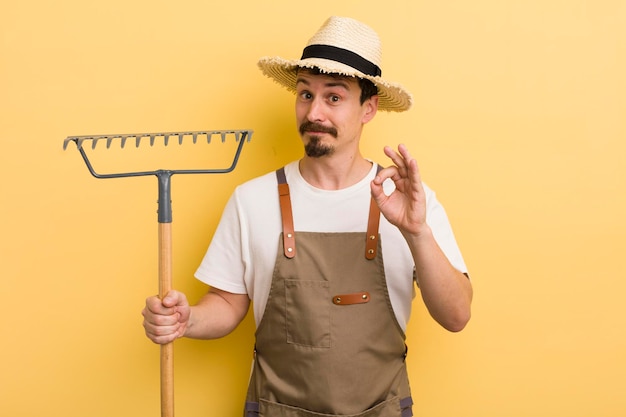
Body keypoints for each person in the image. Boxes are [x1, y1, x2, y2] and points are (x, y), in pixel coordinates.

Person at [143, 16, 473, 417]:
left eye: (334, 97)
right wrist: (186, 319)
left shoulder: (409, 202)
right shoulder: (252, 200)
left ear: (368, 108)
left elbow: (456, 316)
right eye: (304, 94)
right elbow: (227, 304)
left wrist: (416, 232)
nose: (314, 112)